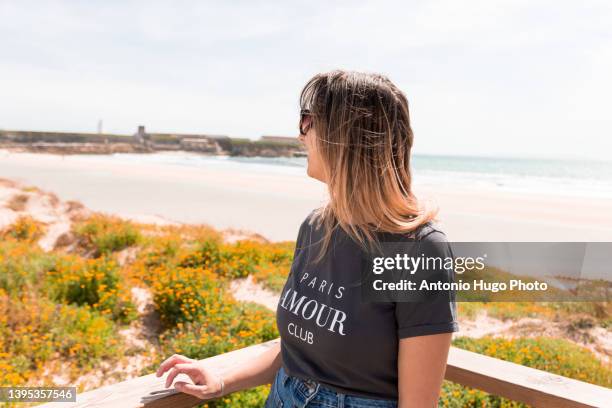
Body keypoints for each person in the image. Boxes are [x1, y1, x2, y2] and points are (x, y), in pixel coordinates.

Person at [156, 70, 459, 407]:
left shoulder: (416, 251)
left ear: (345, 137)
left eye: (307, 120)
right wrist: (221, 379)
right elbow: (298, 350)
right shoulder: (317, 227)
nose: (301, 135)